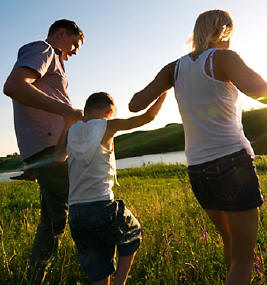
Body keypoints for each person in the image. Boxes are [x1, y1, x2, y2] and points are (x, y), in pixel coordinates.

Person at [128, 9, 267, 284]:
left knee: (230, 244)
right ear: (224, 31)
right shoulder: (224, 58)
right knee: (243, 259)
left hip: (197, 171)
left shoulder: (174, 68)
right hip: (232, 165)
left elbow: (134, 104)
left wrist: (169, 83)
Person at [3, 19, 85, 284]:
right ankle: (39, 276)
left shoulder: (54, 61)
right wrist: (66, 111)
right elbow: (14, 86)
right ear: (61, 33)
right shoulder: (43, 50)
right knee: (61, 217)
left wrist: (33, 158)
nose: (74, 52)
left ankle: (37, 275)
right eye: (74, 44)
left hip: (52, 150)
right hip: (49, 148)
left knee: (53, 215)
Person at [59, 91, 166, 285]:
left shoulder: (71, 132)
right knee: (133, 233)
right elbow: (148, 117)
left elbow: (59, 156)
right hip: (101, 207)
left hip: (75, 213)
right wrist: (163, 92)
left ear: (86, 111)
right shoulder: (107, 125)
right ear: (109, 112)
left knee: (99, 270)